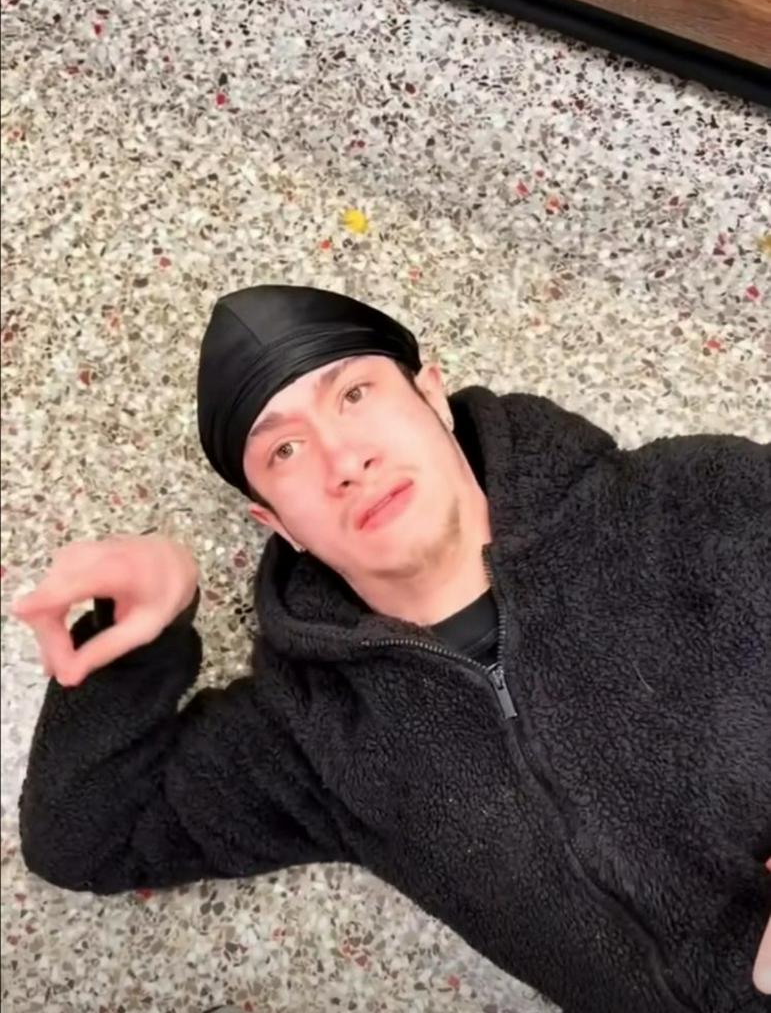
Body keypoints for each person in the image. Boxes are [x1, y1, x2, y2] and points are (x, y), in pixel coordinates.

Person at [11, 286, 771, 1013]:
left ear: (432, 396)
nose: (344, 462)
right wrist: (139, 632)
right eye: (284, 450)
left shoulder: (699, 503)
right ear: (276, 523)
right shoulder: (308, 737)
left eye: (354, 394)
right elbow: (83, 839)